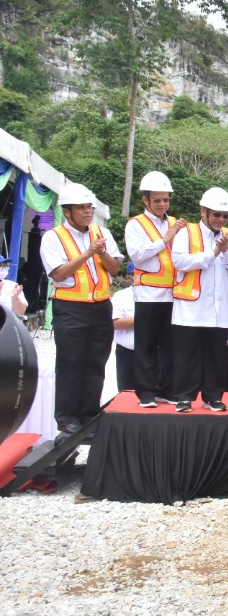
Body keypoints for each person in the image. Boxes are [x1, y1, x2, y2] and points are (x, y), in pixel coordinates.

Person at [39, 183, 123, 434]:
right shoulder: (54, 237)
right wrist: (88, 253)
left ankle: (89, 413)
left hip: (100, 306)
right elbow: (57, 274)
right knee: (71, 362)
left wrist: (101, 253)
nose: (88, 212)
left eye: (90, 207)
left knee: (96, 361)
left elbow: (115, 268)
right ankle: (66, 417)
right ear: (67, 212)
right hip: (70, 307)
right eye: (82, 208)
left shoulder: (101, 233)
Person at [171, 187, 228, 412]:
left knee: (217, 355)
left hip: (220, 309)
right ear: (203, 211)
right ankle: (184, 397)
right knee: (188, 356)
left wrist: (226, 251)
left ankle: (213, 396)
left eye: (225, 216)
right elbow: (179, 261)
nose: (221, 219)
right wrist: (212, 253)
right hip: (192, 308)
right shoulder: (187, 232)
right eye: (216, 214)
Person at [125, 171, 186, 408]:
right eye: (157, 200)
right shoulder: (136, 224)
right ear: (145, 200)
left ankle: (165, 389)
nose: (162, 204)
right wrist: (166, 238)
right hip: (149, 292)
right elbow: (138, 256)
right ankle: (146, 392)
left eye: (166, 199)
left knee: (170, 346)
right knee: (147, 346)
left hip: (175, 294)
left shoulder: (175, 223)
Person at [111, 262, 136, 392]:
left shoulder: (161, 295)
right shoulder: (121, 296)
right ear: (128, 278)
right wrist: (144, 320)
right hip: (127, 354)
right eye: (136, 274)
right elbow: (115, 323)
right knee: (127, 394)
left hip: (155, 354)